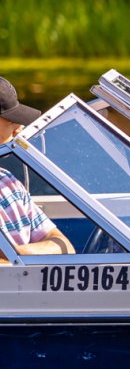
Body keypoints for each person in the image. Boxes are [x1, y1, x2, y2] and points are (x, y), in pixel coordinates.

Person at [0, 78, 74, 258]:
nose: (20, 129)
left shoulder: (8, 182)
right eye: (11, 120)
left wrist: (17, 253)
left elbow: (65, 246)